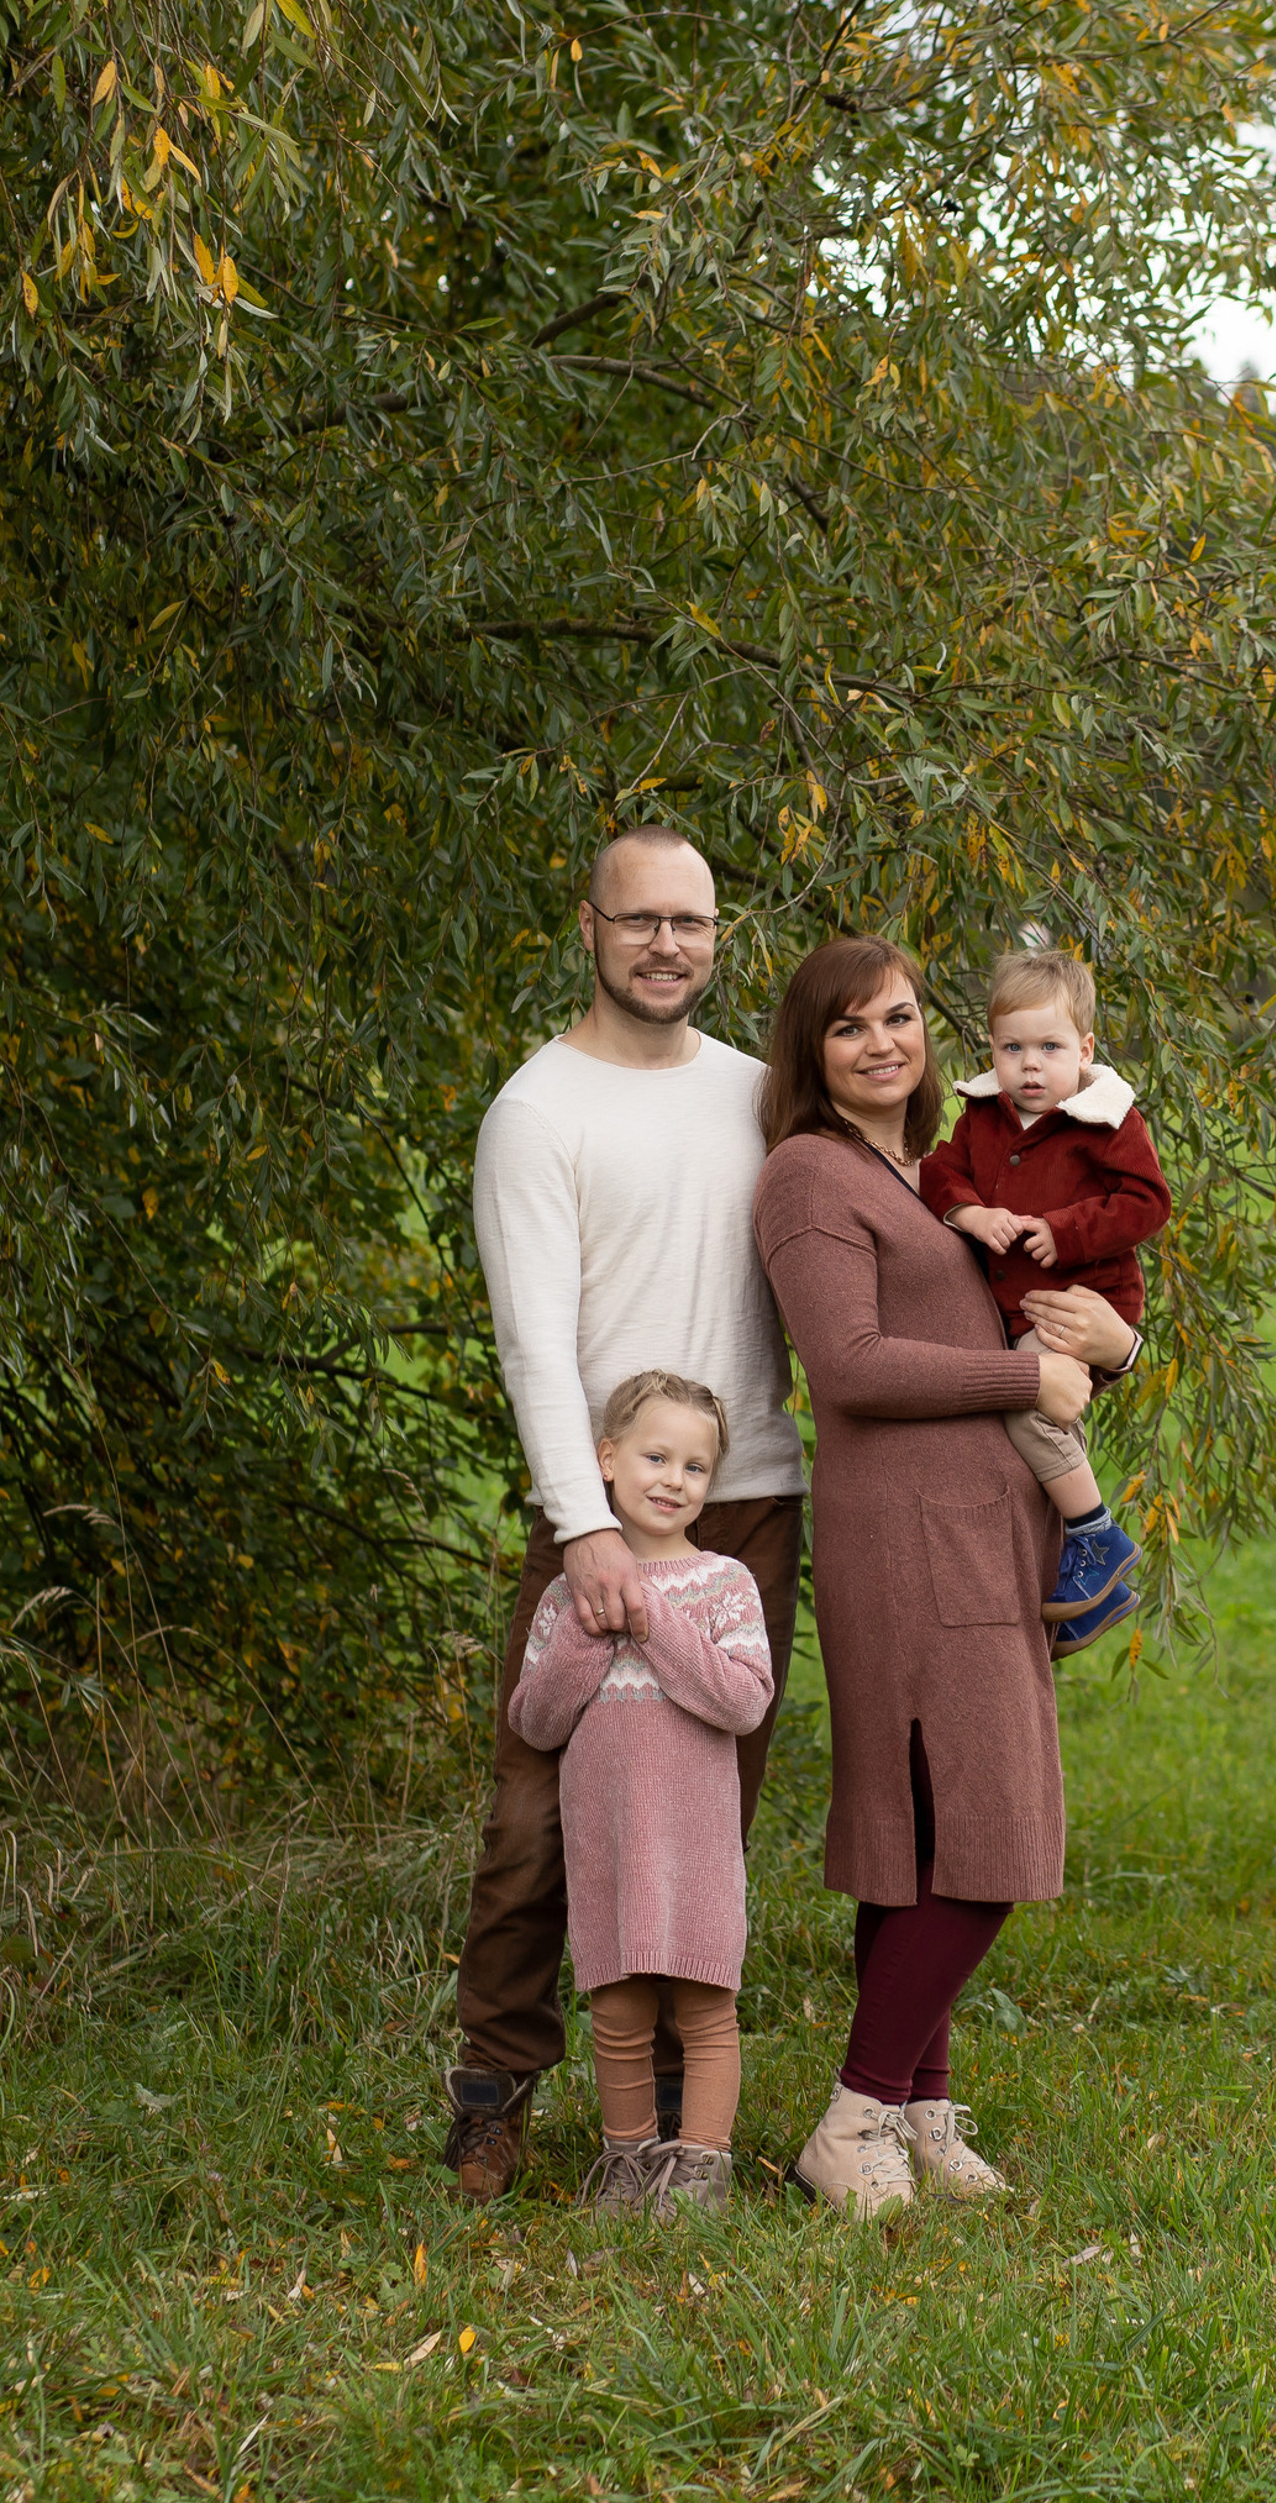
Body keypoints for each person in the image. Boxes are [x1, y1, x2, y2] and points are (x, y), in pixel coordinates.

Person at [750, 935, 1138, 2217]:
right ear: (811, 1051)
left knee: (923, 1840)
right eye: (851, 1026)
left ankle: (918, 2113)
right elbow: (850, 1364)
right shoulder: (812, 1175)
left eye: (902, 1018)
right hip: (907, 1542)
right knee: (988, 1826)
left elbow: (1040, 1301)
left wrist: (1107, 1343)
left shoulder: (931, 1171)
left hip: (977, 1528)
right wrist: (1023, 1378)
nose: (883, 1044)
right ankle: (854, 2112)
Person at [446, 828, 806, 2205]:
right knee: (542, 1817)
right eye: (642, 919)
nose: (669, 944)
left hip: (752, 1498)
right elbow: (535, 1344)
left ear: (721, 938)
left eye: (694, 922)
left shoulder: (760, 1097)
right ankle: (494, 2083)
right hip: (598, 1514)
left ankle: (665, 2121)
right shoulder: (540, 1113)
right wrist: (583, 1524)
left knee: (707, 1809)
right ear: (588, 928)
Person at [507, 1371, 775, 2218]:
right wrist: (596, 1628)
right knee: (617, 2013)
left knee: (703, 2008)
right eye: (656, 1457)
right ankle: (627, 2161)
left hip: (695, 1843)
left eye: (695, 1467)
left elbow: (742, 1699)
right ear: (607, 1461)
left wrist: (654, 1621)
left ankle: (702, 2165)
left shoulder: (725, 1583)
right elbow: (537, 1721)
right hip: (609, 1841)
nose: (673, 1479)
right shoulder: (567, 1594)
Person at [920, 946, 1170, 1653]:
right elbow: (939, 1173)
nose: (1031, 1066)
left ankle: (1095, 1533)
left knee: (1025, 1403)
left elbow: (1148, 1203)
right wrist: (969, 1213)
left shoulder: (1106, 1120)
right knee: (1042, 1420)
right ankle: (1098, 1595)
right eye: (1013, 1048)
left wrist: (1065, 1233)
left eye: (1050, 1047)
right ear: (992, 1049)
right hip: (1020, 1309)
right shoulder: (984, 1119)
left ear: (1084, 1049)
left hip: (1079, 1299)